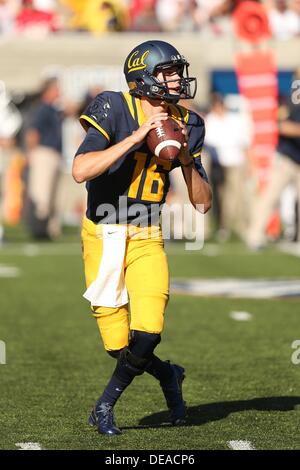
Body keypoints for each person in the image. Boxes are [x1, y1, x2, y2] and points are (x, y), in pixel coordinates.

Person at [72, 40, 212, 436]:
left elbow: (202, 204)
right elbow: (81, 170)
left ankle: (104, 406)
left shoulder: (190, 122)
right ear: (144, 78)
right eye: (168, 73)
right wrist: (137, 137)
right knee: (118, 343)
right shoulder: (114, 106)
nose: (177, 80)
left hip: (148, 232)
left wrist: (185, 158)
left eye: (177, 72)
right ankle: (169, 375)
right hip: (103, 231)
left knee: (149, 331)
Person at [25, 77, 62, 239]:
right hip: (44, 152)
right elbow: (33, 133)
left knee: (54, 194)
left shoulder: (53, 109)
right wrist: (32, 153)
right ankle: (38, 229)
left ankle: (49, 230)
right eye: (56, 89)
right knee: (41, 194)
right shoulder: (42, 108)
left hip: (54, 153)